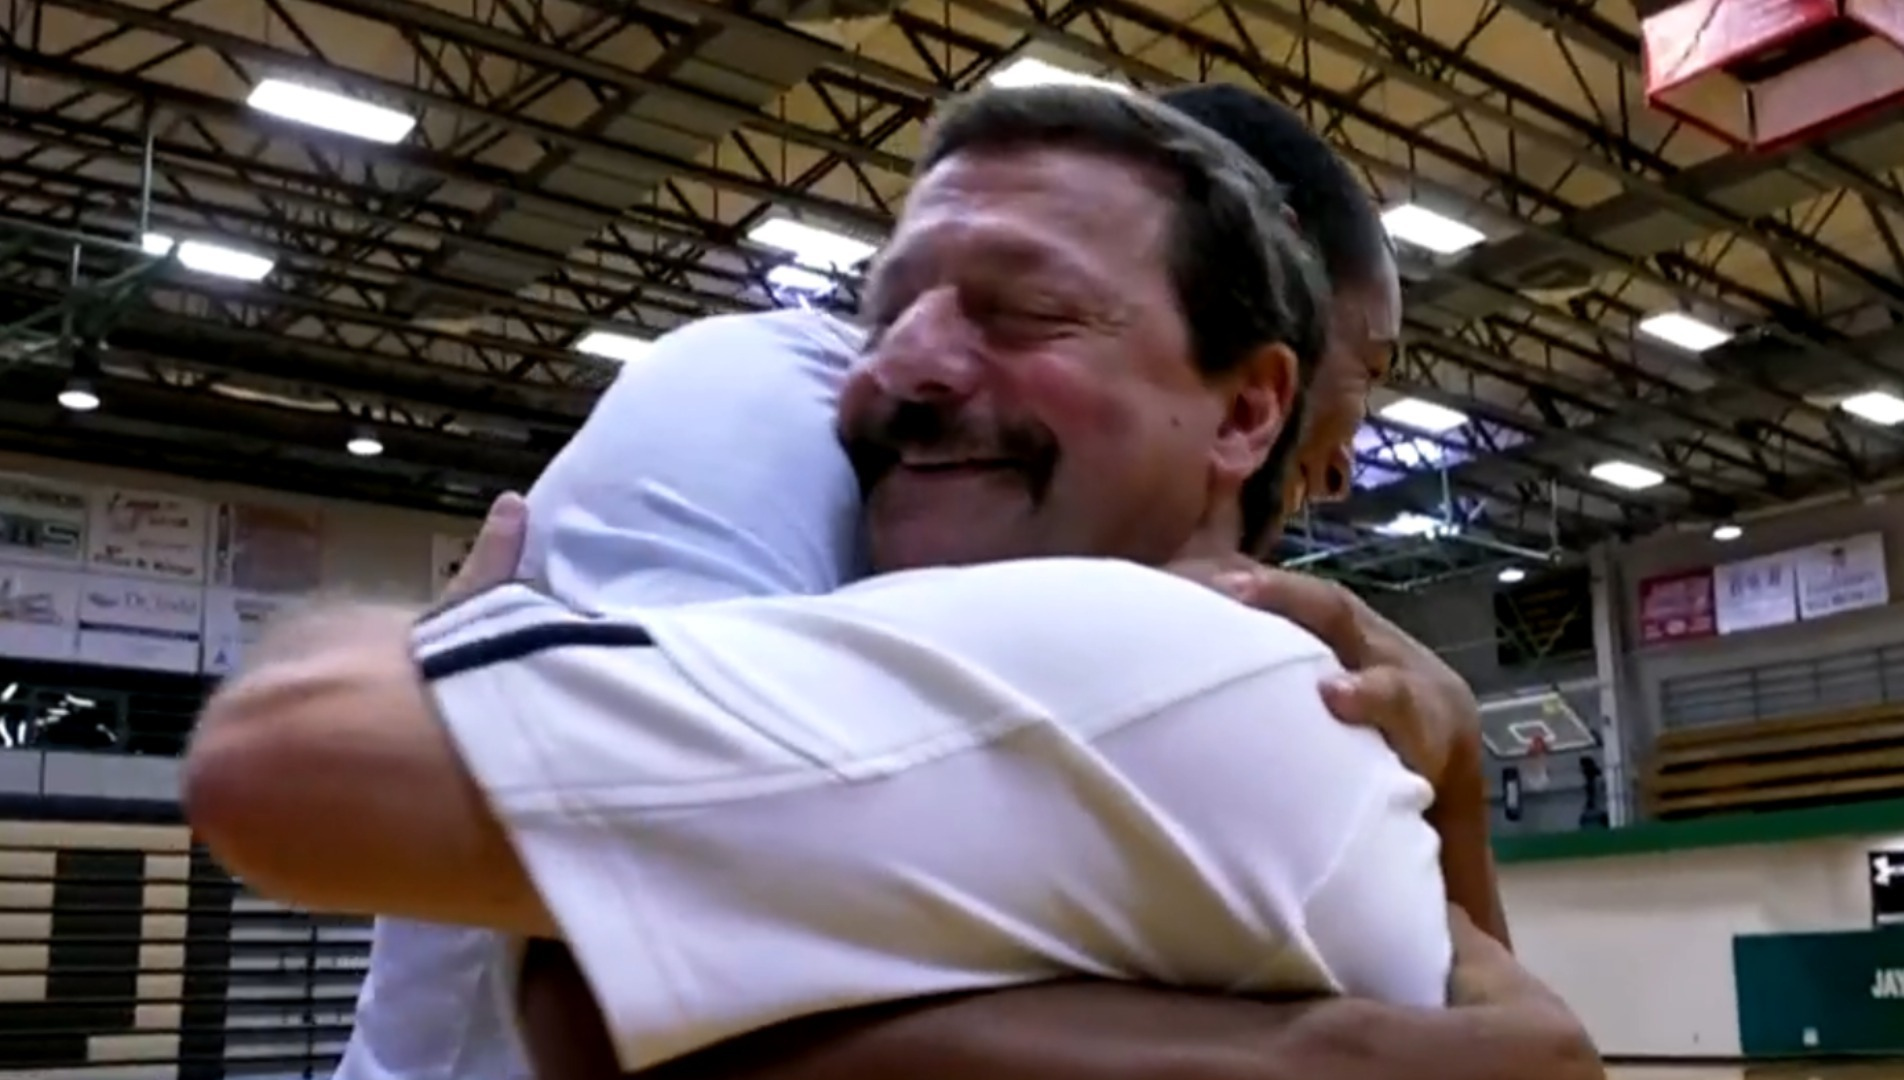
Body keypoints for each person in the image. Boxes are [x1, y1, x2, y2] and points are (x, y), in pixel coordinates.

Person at [203, 83, 1581, 1080]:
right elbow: (599, 990)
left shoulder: (1198, 647)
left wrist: (1454, 783)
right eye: (1368, 369)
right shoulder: (771, 397)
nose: (1346, 459)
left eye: (1021, 304)